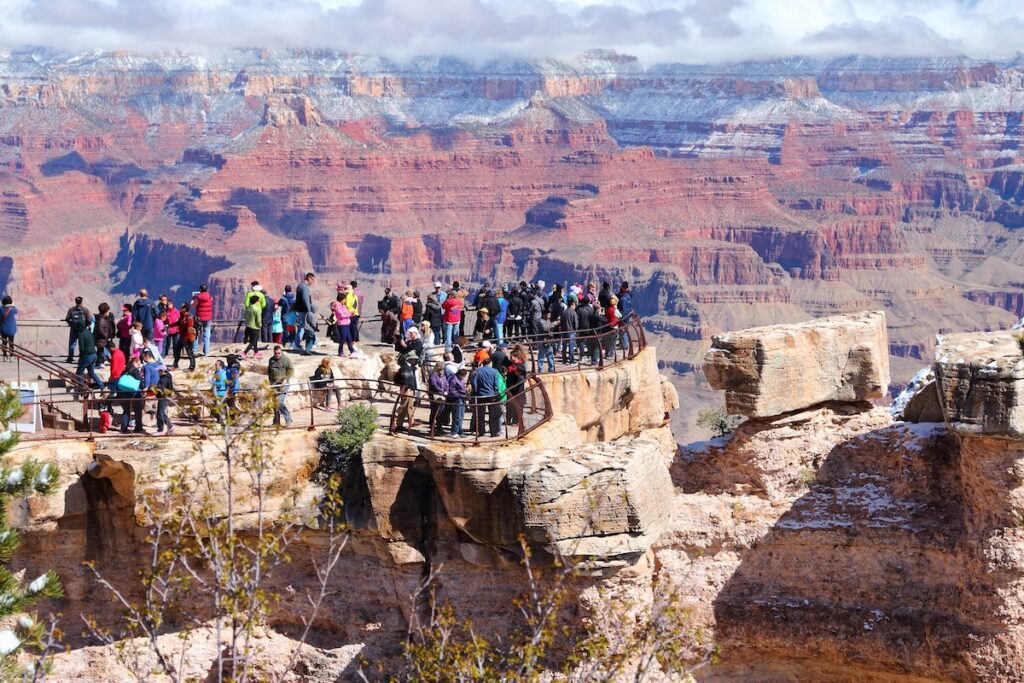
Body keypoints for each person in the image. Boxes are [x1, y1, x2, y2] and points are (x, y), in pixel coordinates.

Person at [470, 356, 502, 437]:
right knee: (493, 414)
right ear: (490, 363)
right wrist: (496, 392)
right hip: (491, 395)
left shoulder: (477, 371)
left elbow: (474, 383)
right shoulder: (494, 371)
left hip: (481, 395)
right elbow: (496, 385)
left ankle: (481, 431)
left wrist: (476, 391)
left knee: (481, 415)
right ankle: (493, 432)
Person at [267, 345, 294, 426]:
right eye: (276, 353)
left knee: (279, 402)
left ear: (281, 352)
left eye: (279, 353)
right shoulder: (271, 360)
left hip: (283, 384)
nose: (277, 355)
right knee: (275, 404)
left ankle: (288, 419)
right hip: (274, 385)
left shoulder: (286, 360)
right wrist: (270, 382)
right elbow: (269, 371)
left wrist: (286, 379)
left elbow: (291, 370)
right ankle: (276, 421)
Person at [118, 356, 146, 434]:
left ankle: (124, 428)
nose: (138, 365)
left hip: (124, 393)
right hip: (134, 393)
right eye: (138, 363)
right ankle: (138, 427)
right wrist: (143, 389)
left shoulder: (125, 370)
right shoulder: (135, 371)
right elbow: (139, 381)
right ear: (134, 362)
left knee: (126, 410)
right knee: (138, 410)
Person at [393, 353, 418, 433]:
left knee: (409, 406)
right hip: (406, 389)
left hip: (410, 389)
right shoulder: (404, 367)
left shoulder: (410, 367)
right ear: (409, 359)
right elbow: (404, 379)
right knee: (403, 406)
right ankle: (394, 418)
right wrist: (405, 388)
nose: (415, 360)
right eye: (413, 359)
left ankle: (408, 422)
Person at [75, 324, 104, 390]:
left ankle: (82, 387)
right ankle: (101, 385)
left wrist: (81, 356)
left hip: (87, 356)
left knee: (79, 372)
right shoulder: (89, 332)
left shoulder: (81, 334)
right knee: (91, 373)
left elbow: (81, 348)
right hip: (94, 355)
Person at [291, 272, 315, 352]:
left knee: (302, 326)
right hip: (303, 310)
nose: (313, 282)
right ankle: (296, 344)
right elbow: (305, 299)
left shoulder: (301, 285)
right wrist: (309, 310)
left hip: (300, 309)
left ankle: (297, 343)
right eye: (312, 280)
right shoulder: (305, 287)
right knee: (303, 327)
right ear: (309, 278)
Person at [65, 296, 92, 363]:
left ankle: (70, 358)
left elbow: (67, 319)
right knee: (82, 344)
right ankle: (81, 358)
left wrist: (71, 324)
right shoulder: (85, 310)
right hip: (82, 330)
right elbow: (89, 320)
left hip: (73, 329)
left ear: (75, 301)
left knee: (72, 344)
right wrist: (85, 326)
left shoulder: (71, 309)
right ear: (82, 302)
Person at [426, 361, 449, 435]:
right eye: (440, 369)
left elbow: (446, 384)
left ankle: (439, 427)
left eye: (442, 369)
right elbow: (434, 385)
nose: (441, 371)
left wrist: (446, 391)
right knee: (435, 411)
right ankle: (433, 427)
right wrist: (442, 392)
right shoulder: (433, 376)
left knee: (441, 412)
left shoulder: (443, 376)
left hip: (442, 396)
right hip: (435, 396)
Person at [191, 284, 214, 356]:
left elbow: (193, 306)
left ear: (200, 290)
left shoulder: (198, 297)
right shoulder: (210, 297)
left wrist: (193, 300)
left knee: (196, 334)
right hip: (208, 318)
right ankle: (206, 352)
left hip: (199, 318)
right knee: (207, 335)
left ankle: (194, 350)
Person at [174, 303, 197, 371]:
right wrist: (170, 325)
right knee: (177, 350)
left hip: (187, 338)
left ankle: (192, 367)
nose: (180, 308)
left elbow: (189, 328)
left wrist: (188, 338)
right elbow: (179, 323)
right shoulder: (182, 315)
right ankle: (175, 364)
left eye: (182, 307)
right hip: (182, 336)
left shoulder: (189, 317)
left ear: (185, 309)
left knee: (189, 352)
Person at [331, 292, 355, 356]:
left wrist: (350, 313)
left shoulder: (343, 305)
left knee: (349, 338)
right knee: (343, 338)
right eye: (345, 299)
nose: (345, 300)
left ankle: (352, 350)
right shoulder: (337, 306)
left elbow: (346, 312)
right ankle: (340, 351)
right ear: (342, 299)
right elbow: (341, 315)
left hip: (346, 323)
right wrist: (350, 314)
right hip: (341, 324)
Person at [447, 366, 467, 438]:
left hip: (462, 399)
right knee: (457, 416)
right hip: (457, 399)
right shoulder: (454, 379)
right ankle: (454, 431)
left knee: (461, 416)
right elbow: (451, 390)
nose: (463, 378)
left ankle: (460, 431)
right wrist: (459, 394)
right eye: (462, 376)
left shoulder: (460, 379)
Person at [243, 291, 262, 358]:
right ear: (256, 301)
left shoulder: (248, 308)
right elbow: (258, 319)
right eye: (258, 300)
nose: (258, 301)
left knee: (254, 339)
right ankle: (244, 353)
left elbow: (245, 317)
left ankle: (256, 352)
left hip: (248, 326)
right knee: (253, 341)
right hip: (254, 327)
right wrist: (260, 325)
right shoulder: (257, 309)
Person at [560, 298, 579, 364]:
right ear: (572, 304)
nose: (575, 306)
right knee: (571, 347)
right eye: (575, 305)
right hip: (571, 332)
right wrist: (576, 331)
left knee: (564, 346)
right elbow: (575, 324)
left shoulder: (563, 312)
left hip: (564, 331)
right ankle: (571, 360)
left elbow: (561, 322)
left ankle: (564, 359)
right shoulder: (573, 313)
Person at [0, 295, 17, 361]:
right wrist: (12, 306)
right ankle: (11, 357)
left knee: (4, 343)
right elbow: (17, 311)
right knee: (11, 343)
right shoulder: (13, 309)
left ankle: (4, 357)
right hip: (11, 330)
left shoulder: (1, 309)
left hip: (3, 329)